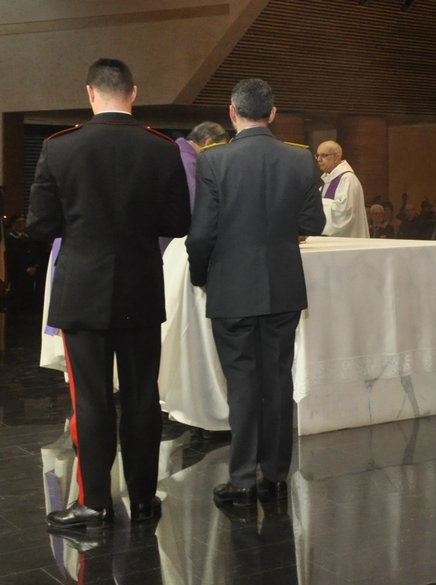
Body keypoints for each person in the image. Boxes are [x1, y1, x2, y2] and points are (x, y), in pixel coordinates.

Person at [26, 59, 190, 533]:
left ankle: (94, 503)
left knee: (92, 400)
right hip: (140, 284)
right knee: (141, 396)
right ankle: (142, 500)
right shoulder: (161, 148)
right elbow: (179, 222)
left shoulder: (61, 147)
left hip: (82, 289)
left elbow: (39, 224)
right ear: (133, 92)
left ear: (90, 94)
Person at [189, 78, 326, 506]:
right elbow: (314, 223)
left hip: (231, 287)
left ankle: (243, 478)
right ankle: (277, 475)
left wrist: (199, 276)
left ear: (232, 113)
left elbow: (201, 234)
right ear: (272, 113)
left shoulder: (214, 160)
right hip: (282, 286)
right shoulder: (300, 159)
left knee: (243, 384)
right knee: (278, 379)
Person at [314, 140, 368, 237]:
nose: (319, 159)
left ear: (336, 157)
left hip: (347, 241)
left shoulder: (347, 179)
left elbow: (343, 213)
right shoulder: (325, 180)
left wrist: (317, 203)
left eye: (323, 155)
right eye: (317, 155)